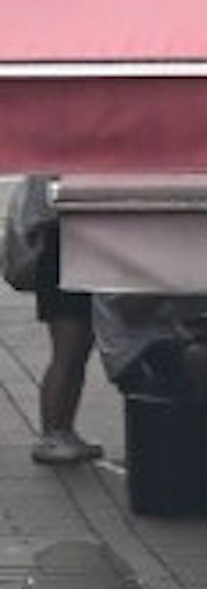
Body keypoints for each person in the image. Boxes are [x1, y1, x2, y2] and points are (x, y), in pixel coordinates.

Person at [2, 180, 96, 469]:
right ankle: (52, 431)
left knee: (79, 351)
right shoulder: (49, 171)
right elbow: (40, 212)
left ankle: (64, 428)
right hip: (59, 259)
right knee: (68, 350)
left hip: (76, 255)